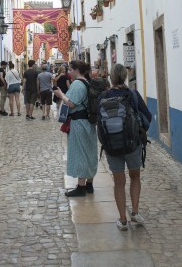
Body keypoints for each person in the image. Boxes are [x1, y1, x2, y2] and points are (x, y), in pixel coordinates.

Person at [99, 63, 150, 230]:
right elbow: (147, 116)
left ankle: (122, 220)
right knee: (135, 177)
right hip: (132, 144)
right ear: (125, 76)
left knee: (119, 182)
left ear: (111, 78)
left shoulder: (104, 95)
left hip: (112, 145)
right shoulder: (133, 94)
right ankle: (135, 213)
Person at [53, 60, 97, 197]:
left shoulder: (78, 84)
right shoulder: (87, 82)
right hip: (87, 123)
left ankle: (81, 187)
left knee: (80, 152)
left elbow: (71, 103)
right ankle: (89, 184)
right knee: (89, 152)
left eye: (70, 70)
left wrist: (60, 95)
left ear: (76, 70)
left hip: (79, 123)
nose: (69, 73)